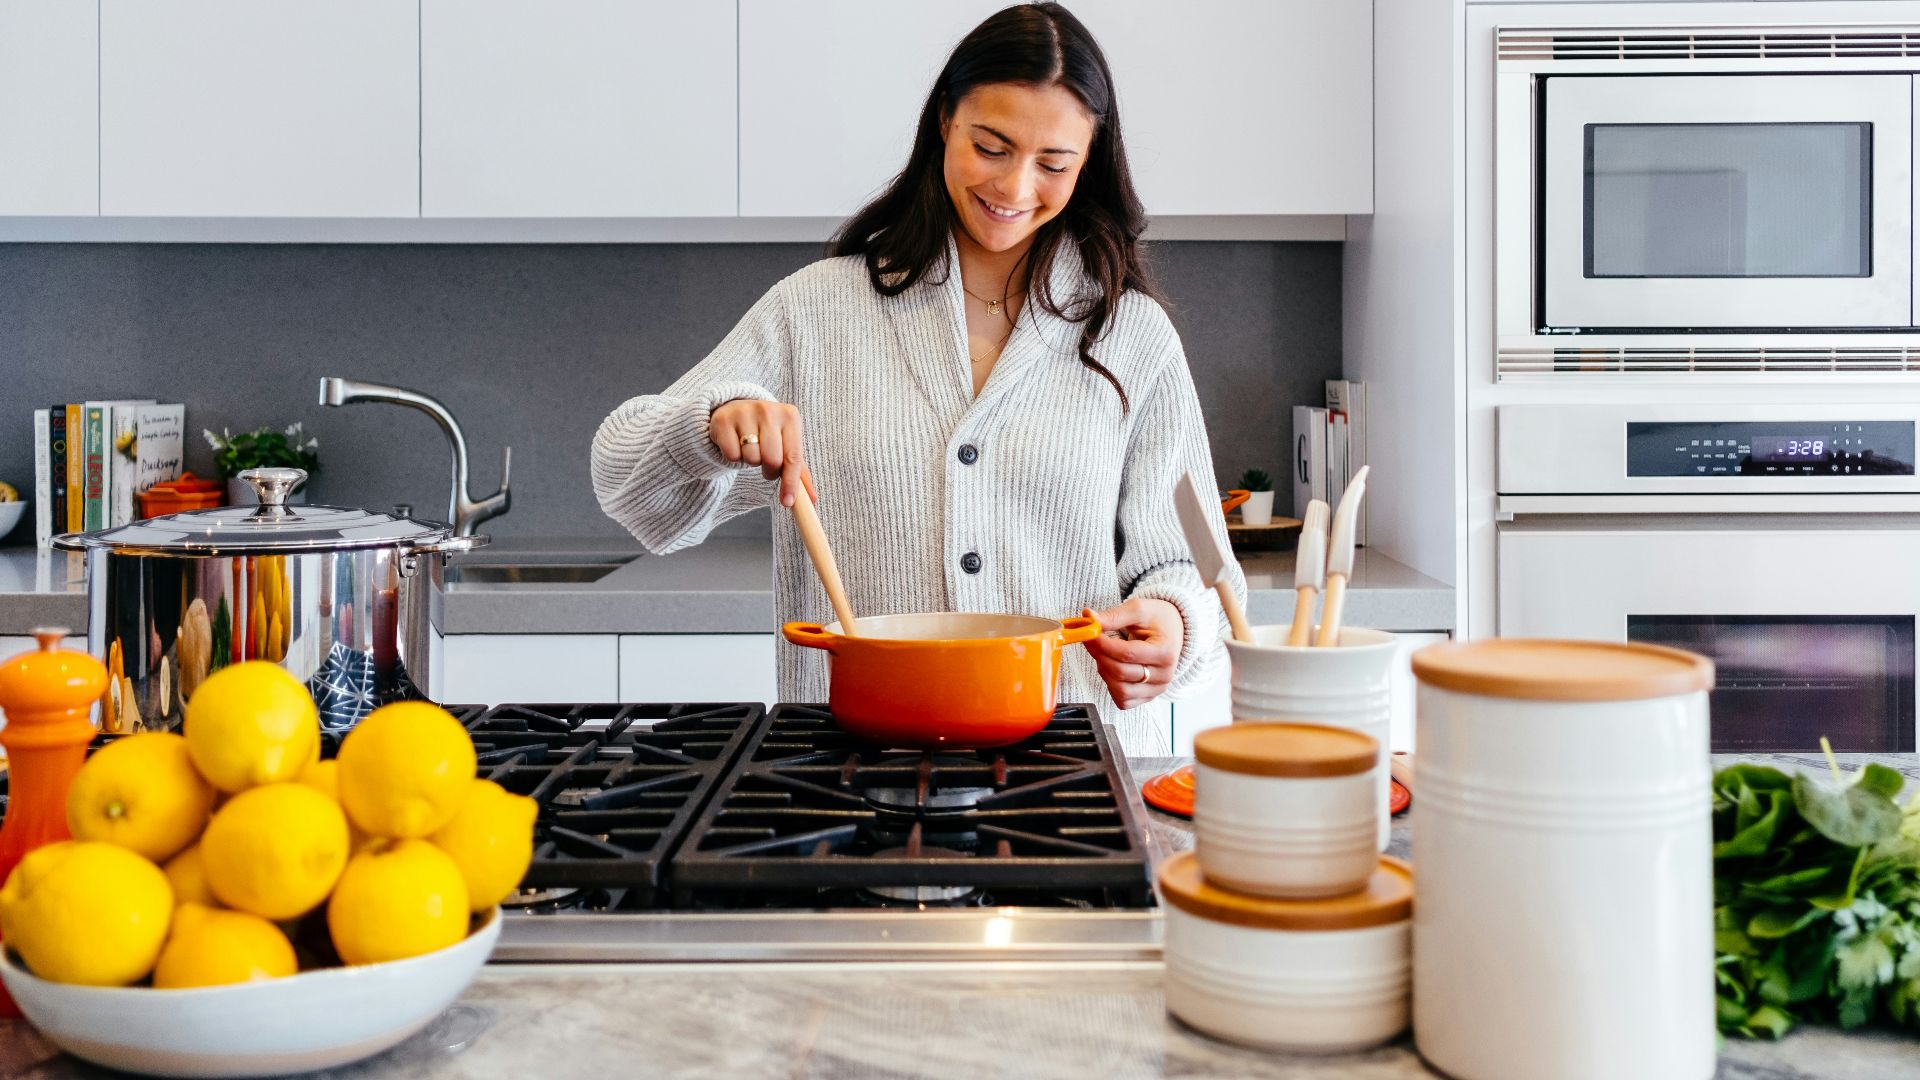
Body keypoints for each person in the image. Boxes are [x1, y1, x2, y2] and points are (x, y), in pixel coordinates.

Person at [591, 2, 1244, 754]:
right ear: (944, 122)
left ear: (1090, 160)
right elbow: (625, 483)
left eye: (1053, 163)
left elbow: (1191, 566)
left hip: (1064, 778)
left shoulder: (1131, 335)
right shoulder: (819, 311)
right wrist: (709, 426)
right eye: (991, 146)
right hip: (844, 777)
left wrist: (1171, 622)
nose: (1016, 185)